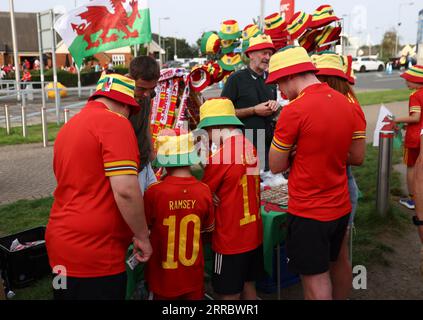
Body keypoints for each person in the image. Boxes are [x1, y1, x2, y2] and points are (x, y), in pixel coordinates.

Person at [267, 46, 365, 300]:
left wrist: (293, 152)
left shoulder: (293, 110)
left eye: (278, 81)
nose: (278, 90)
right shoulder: (347, 104)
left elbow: (275, 165)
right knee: (336, 263)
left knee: (315, 282)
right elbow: (356, 156)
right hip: (340, 206)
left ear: (289, 75)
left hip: (308, 211)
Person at [46, 73, 152, 300]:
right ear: (124, 104)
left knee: (64, 295)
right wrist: (142, 235)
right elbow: (126, 191)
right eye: (130, 110)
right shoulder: (116, 123)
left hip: (60, 248)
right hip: (96, 253)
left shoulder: (69, 127)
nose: (129, 115)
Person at [311, 51, 367, 299]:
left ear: (329, 80)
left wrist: (321, 150)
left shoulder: (350, 108)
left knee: (339, 255)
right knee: (325, 256)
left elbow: (357, 157)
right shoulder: (330, 103)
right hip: (327, 185)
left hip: (342, 184)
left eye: (318, 78)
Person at [199, 98, 264, 300]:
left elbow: (203, 194)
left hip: (230, 239)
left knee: (228, 294)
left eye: (207, 131)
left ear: (215, 126)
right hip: (253, 232)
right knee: (248, 285)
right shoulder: (249, 145)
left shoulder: (220, 157)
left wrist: (208, 191)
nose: (207, 138)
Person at [144, 128, 214, 300]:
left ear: (164, 160)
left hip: (162, 276)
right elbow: (208, 229)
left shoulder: (154, 192)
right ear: (190, 158)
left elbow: (144, 229)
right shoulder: (204, 190)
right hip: (193, 275)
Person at [221, 34, 279, 173]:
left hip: (268, 146)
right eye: (264, 53)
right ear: (251, 54)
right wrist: (253, 110)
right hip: (244, 147)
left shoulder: (272, 80)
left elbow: (276, 113)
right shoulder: (236, 79)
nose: (267, 57)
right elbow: (222, 114)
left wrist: (275, 107)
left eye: (270, 54)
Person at [128, 56, 161, 193]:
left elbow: (146, 121)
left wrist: (152, 151)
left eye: (152, 88)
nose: (147, 94)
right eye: (141, 89)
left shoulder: (147, 93)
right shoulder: (118, 98)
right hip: (130, 167)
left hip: (145, 162)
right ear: (130, 79)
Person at [394, 65, 423, 210]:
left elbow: (416, 117)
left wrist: (397, 120)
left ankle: (412, 199)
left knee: (411, 167)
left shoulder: (415, 95)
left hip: (414, 139)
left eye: (408, 79)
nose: (406, 82)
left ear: (417, 81)